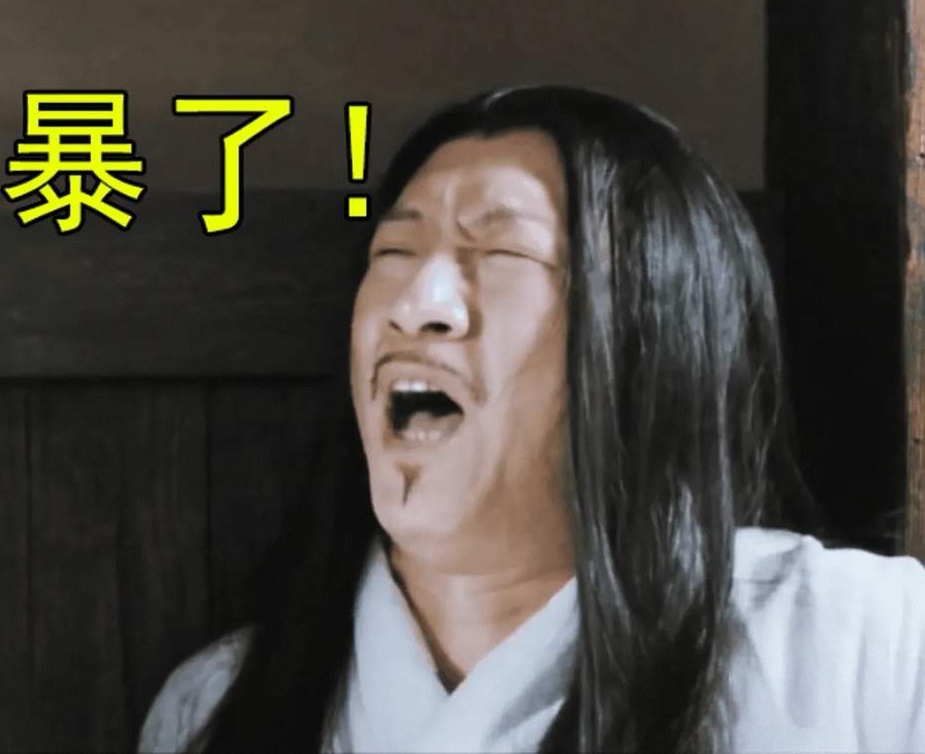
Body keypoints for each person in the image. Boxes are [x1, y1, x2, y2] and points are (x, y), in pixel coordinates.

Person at [137, 86, 925, 753]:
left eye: (501, 254)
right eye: (393, 255)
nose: (417, 306)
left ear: (648, 334)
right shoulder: (217, 709)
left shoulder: (862, 649)